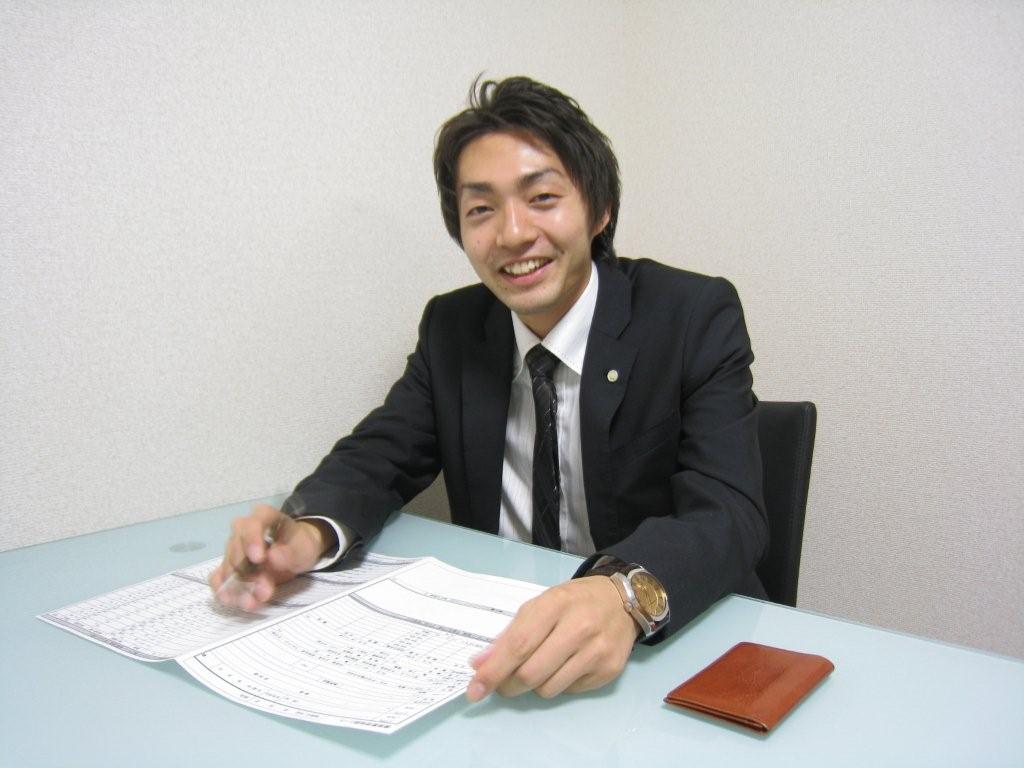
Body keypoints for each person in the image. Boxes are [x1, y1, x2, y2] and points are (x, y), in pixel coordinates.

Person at [209, 76, 768, 702]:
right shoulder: (453, 327)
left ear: (600, 210)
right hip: (499, 647)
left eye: (543, 197)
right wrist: (308, 532)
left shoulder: (691, 315)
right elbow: (379, 456)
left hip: (666, 650)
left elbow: (730, 512)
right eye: (481, 210)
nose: (512, 234)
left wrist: (621, 592)